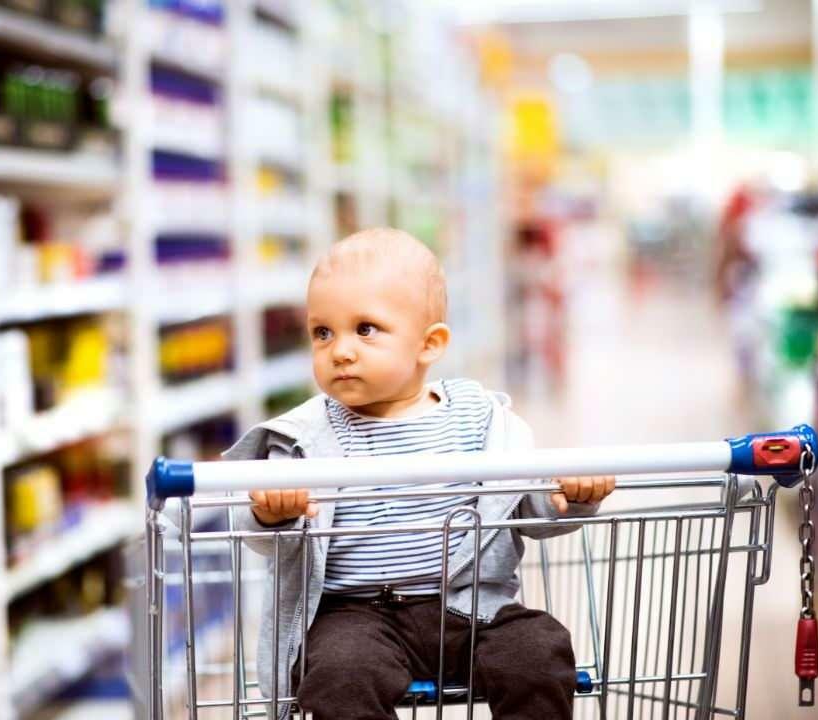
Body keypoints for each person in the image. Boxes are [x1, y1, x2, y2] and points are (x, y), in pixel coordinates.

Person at [224, 228, 615, 720]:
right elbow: (262, 531)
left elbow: (529, 507)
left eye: (365, 329)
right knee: (339, 675)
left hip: (473, 610)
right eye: (323, 332)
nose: (340, 350)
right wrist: (271, 513)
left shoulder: (480, 420)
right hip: (355, 616)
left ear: (429, 344)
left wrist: (571, 496)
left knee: (538, 650)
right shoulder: (304, 436)